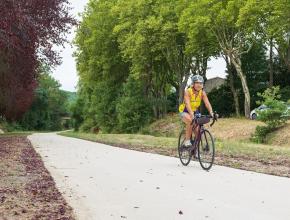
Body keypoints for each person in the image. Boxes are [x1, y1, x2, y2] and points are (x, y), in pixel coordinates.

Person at [179, 75, 214, 147]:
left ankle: (195, 150)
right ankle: (187, 141)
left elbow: (207, 103)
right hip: (185, 111)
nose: (199, 85)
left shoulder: (202, 93)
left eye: (201, 83)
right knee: (190, 121)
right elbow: (187, 104)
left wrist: (211, 112)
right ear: (193, 84)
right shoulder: (188, 91)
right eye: (197, 83)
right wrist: (191, 114)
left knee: (198, 131)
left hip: (195, 111)